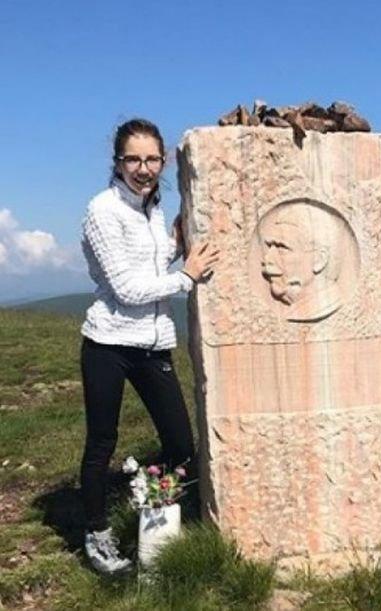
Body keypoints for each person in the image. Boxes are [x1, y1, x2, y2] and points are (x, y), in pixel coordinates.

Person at [79, 118, 219, 575]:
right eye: (133, 159)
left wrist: (176, 246)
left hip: (153, 344)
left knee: (180, 443)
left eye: (152, 159)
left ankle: (157, 519)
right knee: (102, 441)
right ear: (117, 162)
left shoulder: (151, 208)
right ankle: (97, 534)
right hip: (108, 343)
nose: (143, 168)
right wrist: (186, 276)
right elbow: (126, 287)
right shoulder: (103, 210)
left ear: (163, 160)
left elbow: (150, 264)